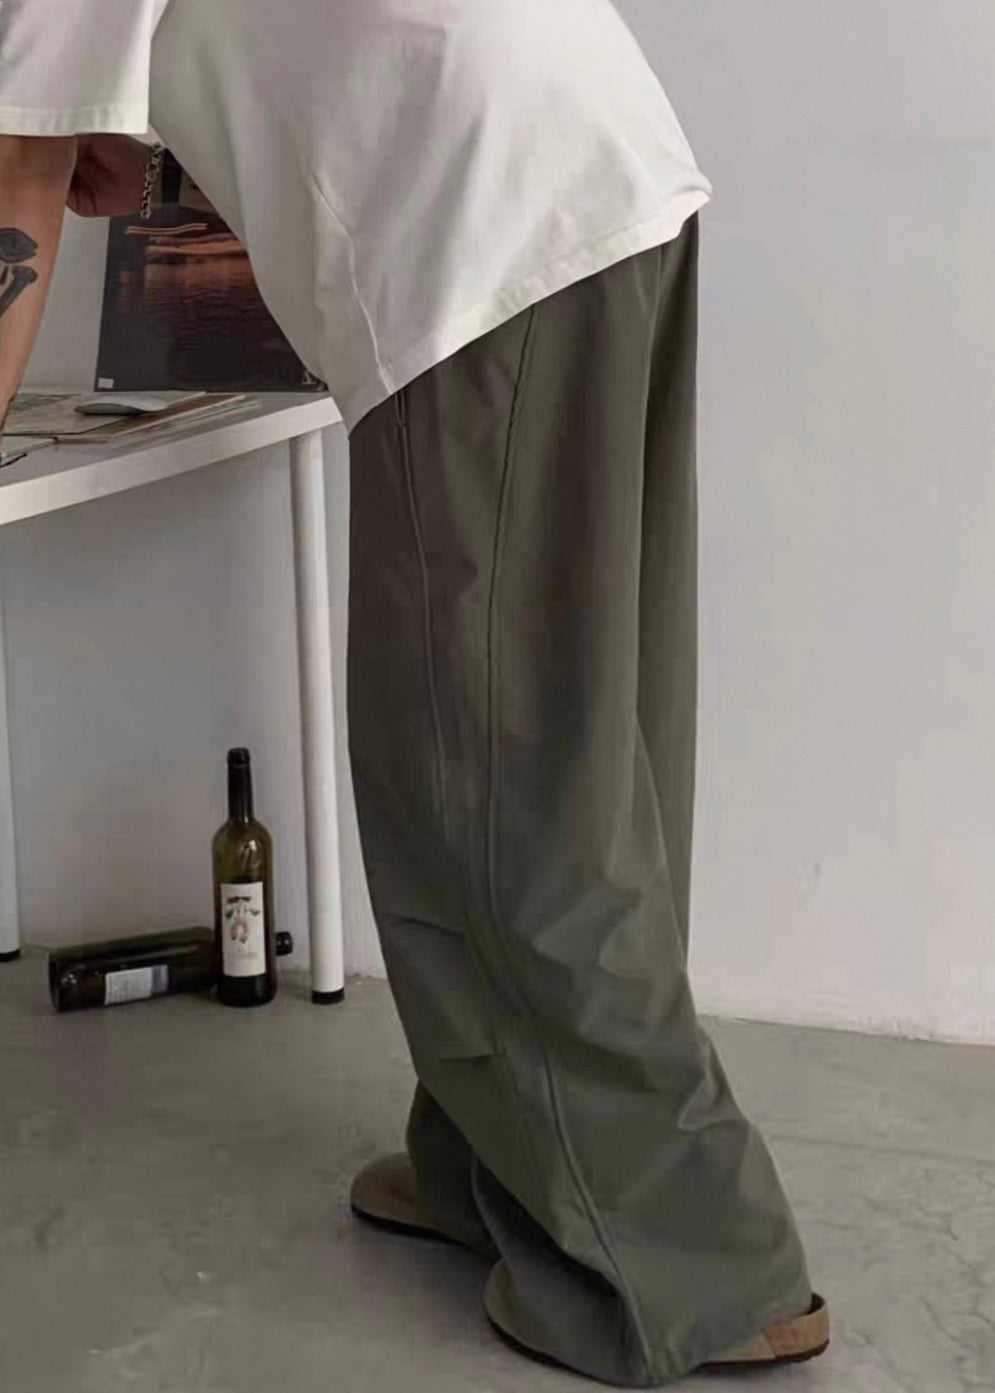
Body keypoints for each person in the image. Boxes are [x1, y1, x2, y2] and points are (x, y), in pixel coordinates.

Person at [0, 0, 829, 1382]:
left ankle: (699, 1262)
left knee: (494, 768)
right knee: (560, 735)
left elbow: (19, 186)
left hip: (486, 237)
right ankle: (499, 1162)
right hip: (590, 176)